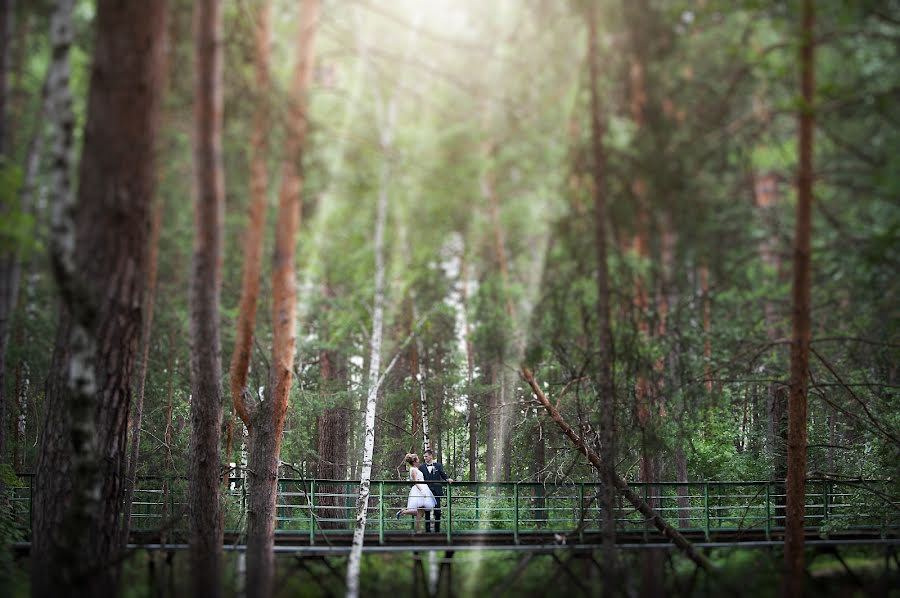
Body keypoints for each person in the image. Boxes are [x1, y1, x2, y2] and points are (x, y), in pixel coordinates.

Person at [395, 453, 435, 533]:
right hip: (419, 490)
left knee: (421, 513)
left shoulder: (416, 468)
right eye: (417, 459)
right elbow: (415, 482)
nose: (419, 460)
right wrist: (422, 491)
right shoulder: (413, 469)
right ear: (414, 461)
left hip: (423, 488)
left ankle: (403, 512)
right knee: (420, 513)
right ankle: (419, 531)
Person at [419, 448, 454, 533]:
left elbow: (443, 474)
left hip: (436, 491)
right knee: (427, 511)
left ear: (431, 456)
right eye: (424, 456)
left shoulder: (438, 466)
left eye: (426, 456)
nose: (425, 458)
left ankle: (437, 530)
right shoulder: (422, 467)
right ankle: (427, 531)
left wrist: (447, 479)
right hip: (426, 491)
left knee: (437, 511)